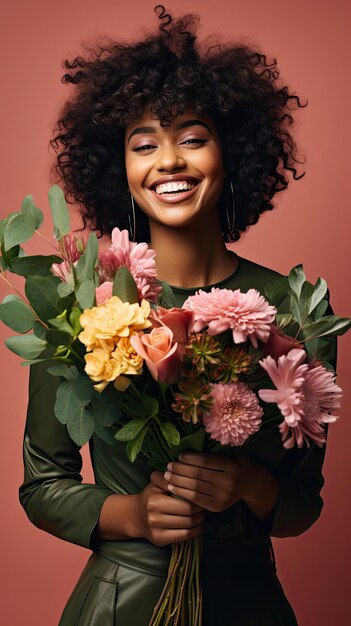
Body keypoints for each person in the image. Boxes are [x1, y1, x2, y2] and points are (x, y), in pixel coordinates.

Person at [19, 6, 337, 625]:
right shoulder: (83, 305)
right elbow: (42, 486)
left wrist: (249, 484)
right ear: (121, 169)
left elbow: (304, 503)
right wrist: (131, 515)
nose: (168, 161)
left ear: (232, 153)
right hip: (120, 603)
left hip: (251, 603)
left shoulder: (295, 312)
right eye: (144, 145)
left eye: (192, 138)